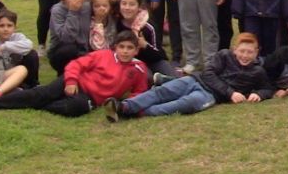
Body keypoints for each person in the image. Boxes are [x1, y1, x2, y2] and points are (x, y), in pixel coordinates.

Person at [0, 31, 149, 116]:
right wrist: (71, 81)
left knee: (74, 109)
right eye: (121, 47)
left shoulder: (139, 69)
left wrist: (127, 106)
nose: (125, 51)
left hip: (91, 98)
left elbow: (139, 92)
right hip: (75, 82)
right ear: (115, 47)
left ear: (135, 51)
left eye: (130, 48)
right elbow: (76, 65)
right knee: (43, 93)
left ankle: (33, 103)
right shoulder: (103, 55)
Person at [104, 33, 272, 120]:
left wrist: (259, 94)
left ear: (256, 53)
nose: (245, 55)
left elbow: (268, 88)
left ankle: (140, 113)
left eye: (250, 52)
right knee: (162, 92)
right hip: (195, 80)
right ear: (235, 49)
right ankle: (123, 107)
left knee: (183, 104)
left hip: (209, 96)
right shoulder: (224, 55)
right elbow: (209, 73)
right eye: (242, 51)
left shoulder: (257, 71)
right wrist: (231, 93)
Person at [116, 0, 175, 78]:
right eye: (124, 4)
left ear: (139, 7)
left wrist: (145, 45)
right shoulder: (116, 23)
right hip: (130, 61)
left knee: (172, 77)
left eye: (132, 4)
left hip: (153, 60)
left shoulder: (148, 26)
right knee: (148, 78)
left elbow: (158, 54)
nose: (127, 8)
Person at [47, 0, 91, 75]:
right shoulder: (57, 10)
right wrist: (73, 12)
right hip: (61, 51)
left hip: (84, 49)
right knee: (70, 50)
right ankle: (63, 76)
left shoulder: (87, 8)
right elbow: (66, 38)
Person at [0, 8, 39, 90]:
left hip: (20, 71)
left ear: (15, 27)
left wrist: (5, 46)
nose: (6, 29)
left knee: (32, 54)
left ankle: (33, 84)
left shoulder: (18, 37)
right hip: (1, 74)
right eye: (1, 26)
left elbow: (29, 45)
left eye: (9, 25)